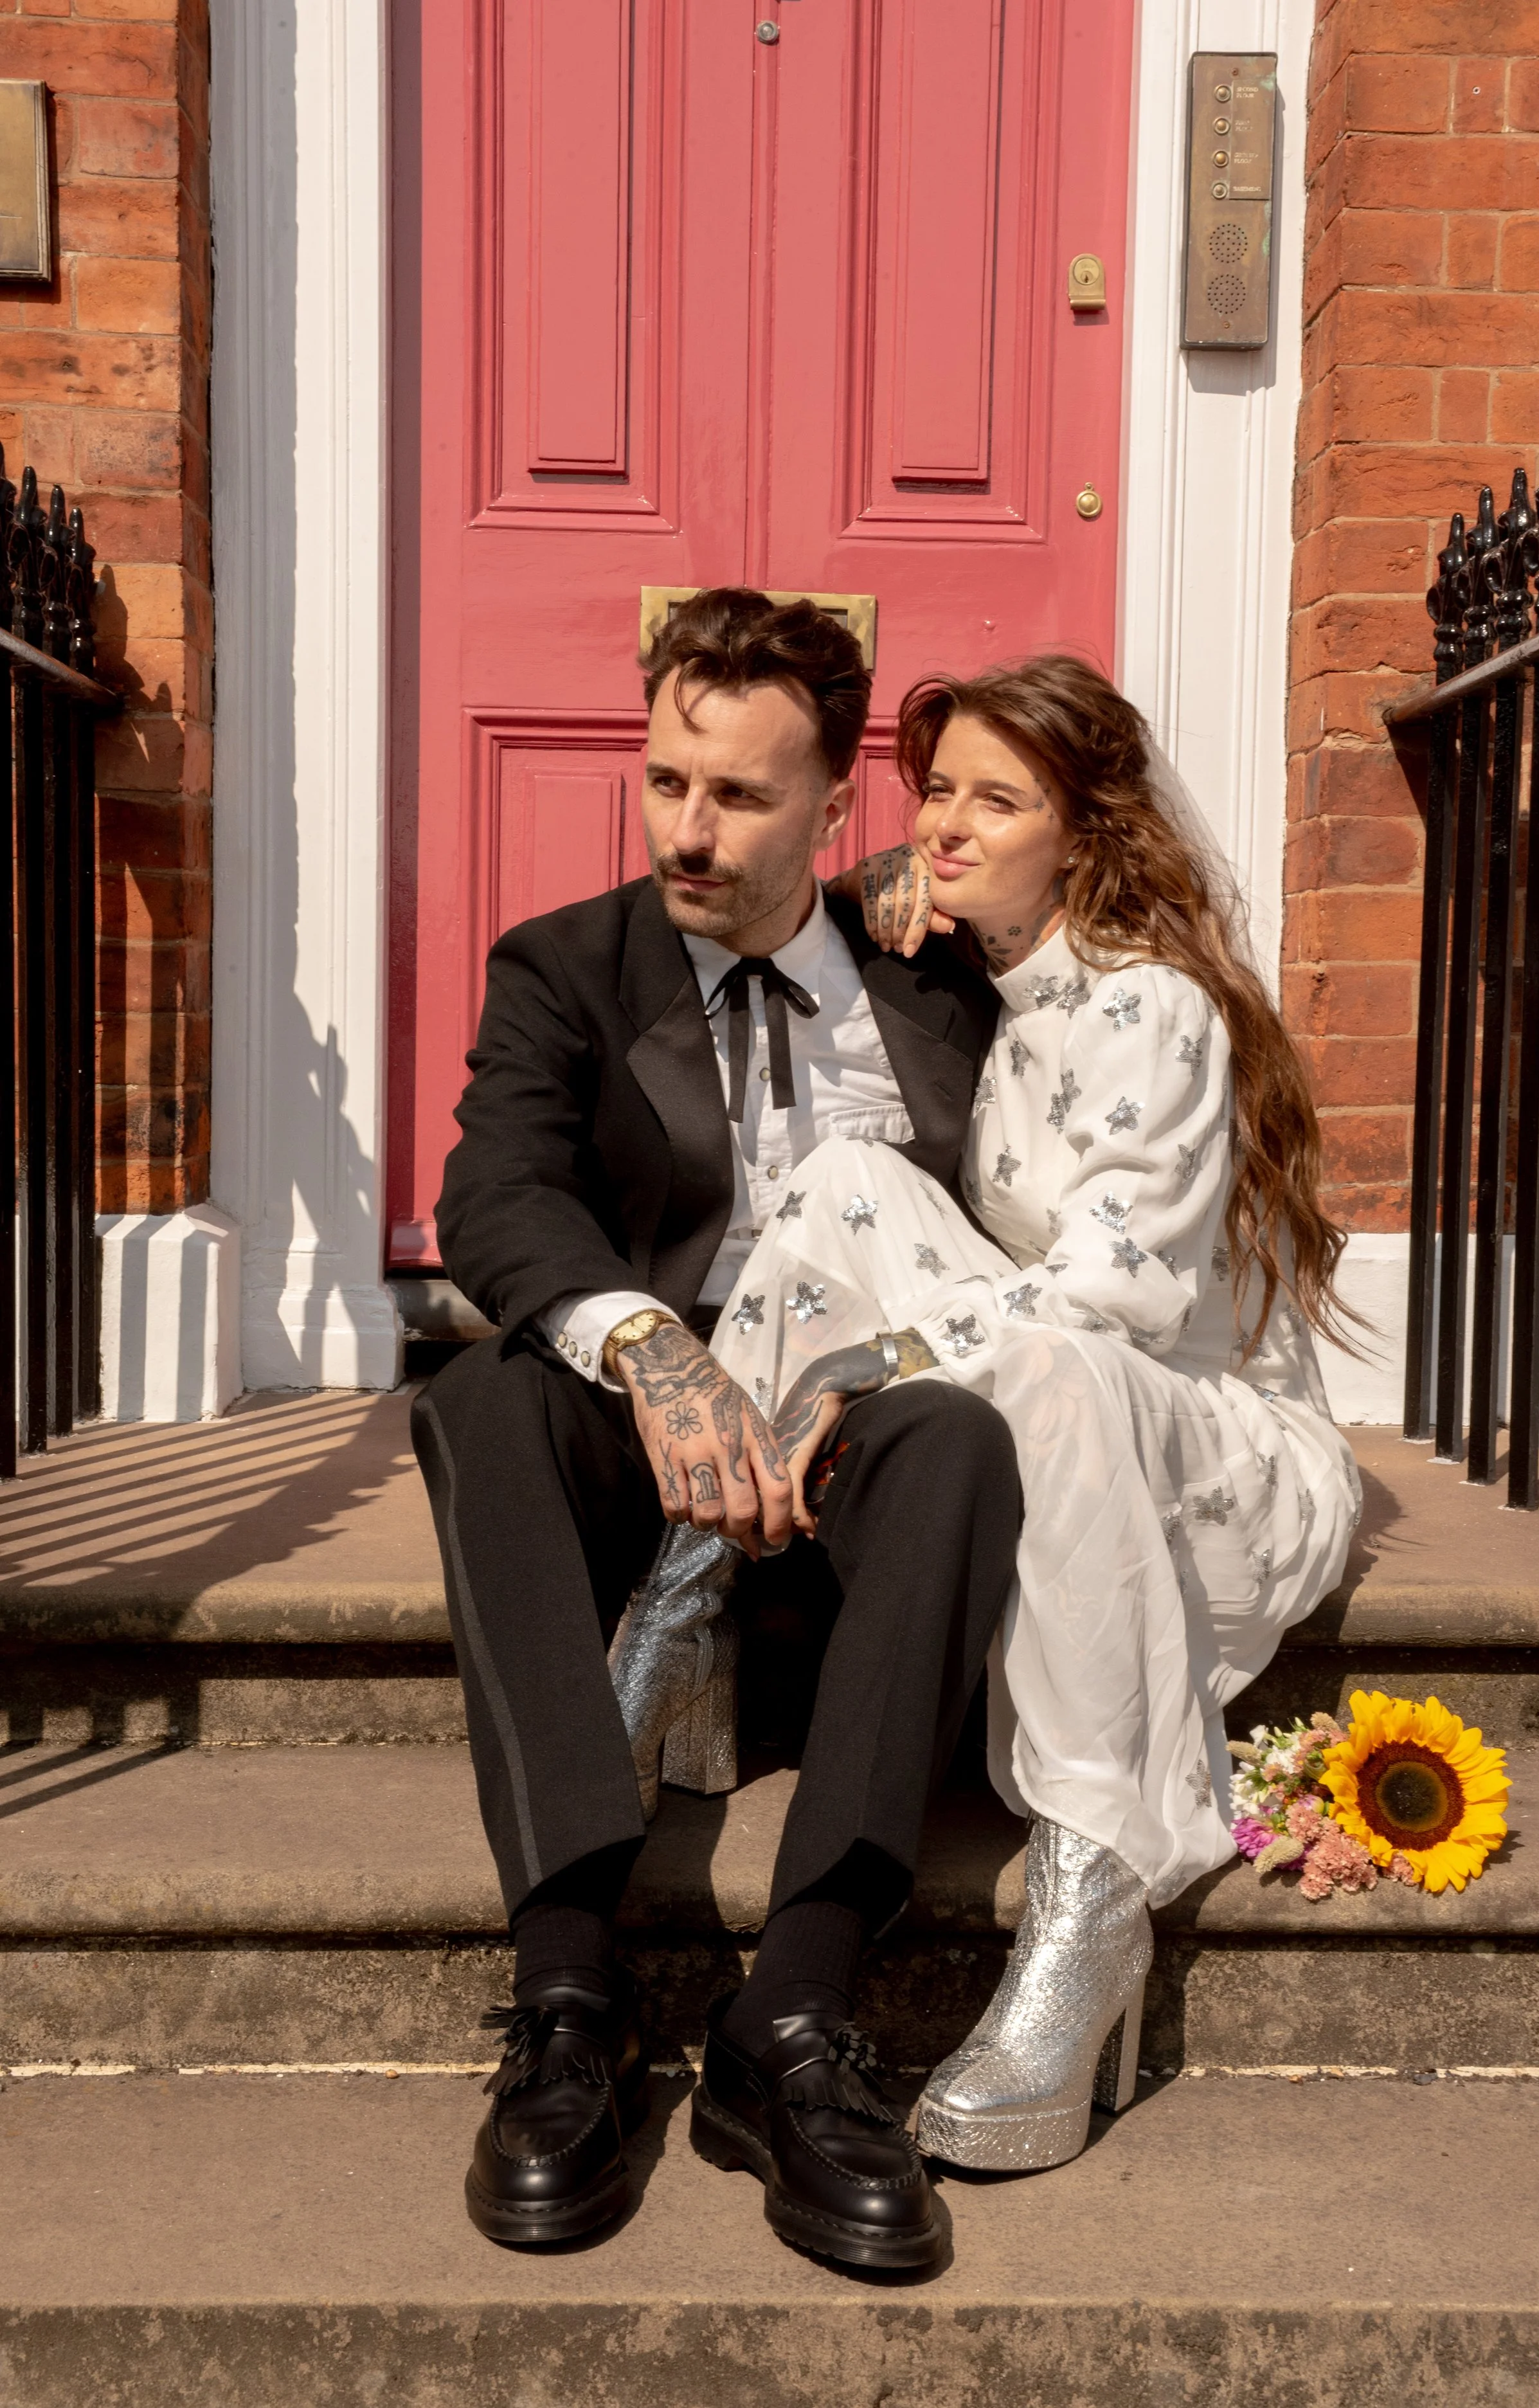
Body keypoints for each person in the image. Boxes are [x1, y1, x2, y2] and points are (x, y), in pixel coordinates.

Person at [412, 588, 1020, 2272]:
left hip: (852, 1449)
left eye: (742, 795)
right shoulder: (565, 968)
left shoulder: (935, 981)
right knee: (480, 1397)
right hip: (648, 1458)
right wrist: (646, 1345)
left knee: (958, 1438)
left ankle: (793, 2018)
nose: (688, 829)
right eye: (667, 779)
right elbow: (496, 1196)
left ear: (834, 803)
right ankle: (567, 1995)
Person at [699, 652, 1364, 2173]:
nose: (944, 824)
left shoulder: (1153, 1007)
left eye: (996, 801)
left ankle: (1090, 1899)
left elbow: (1113, 1294)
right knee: (845, 1180)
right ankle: (693, 1587)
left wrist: (876, 1360)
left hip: (1222, 1458)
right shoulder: (1008, 982)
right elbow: (831, 908)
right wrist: (886, 878)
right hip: (1079, 1406)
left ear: (1085, 832)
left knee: (1056, 1363)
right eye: (935, 790)